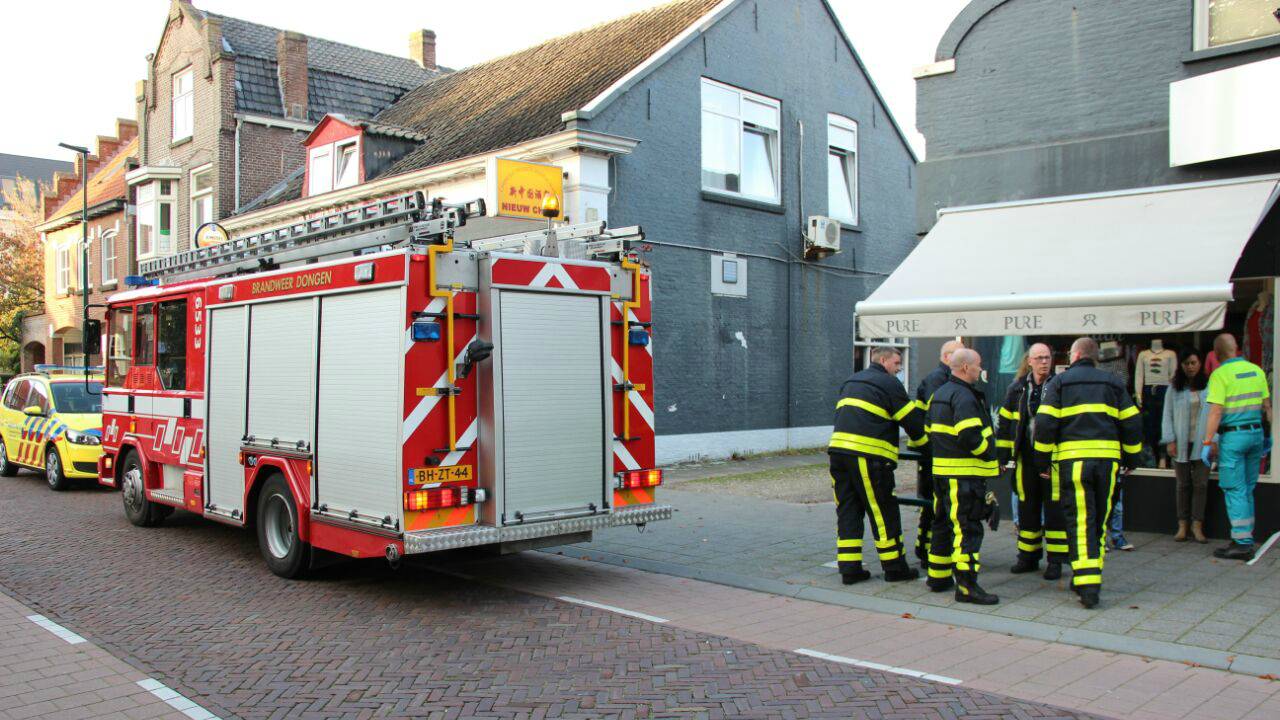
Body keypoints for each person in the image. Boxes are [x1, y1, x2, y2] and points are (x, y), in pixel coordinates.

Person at [1033, 337, 1142, 609]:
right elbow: (1132, 421)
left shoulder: (1060, 383)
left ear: (1076, 355)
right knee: (1099, 521)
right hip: (1107, 462)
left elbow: (1044, 423)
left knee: (1081, 521)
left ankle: (1088, 585)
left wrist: (1042, 461)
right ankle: (1088, 574)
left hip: (1074, 462)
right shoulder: (1113, 382)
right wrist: (1132, 457)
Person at [828, 346, 930, 584]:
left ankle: (849, 569)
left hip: (838, 454)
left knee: (848, 509)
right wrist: (929, 449)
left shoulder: (852, 381)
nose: (899, 369)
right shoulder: (889, 383)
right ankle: (895, 568)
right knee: (883, 511)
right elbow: (912, 422)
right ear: (883, 360)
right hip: (868, 456)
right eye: (897, 363)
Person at [927, 348, 999, 604]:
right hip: (964, 475)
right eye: (979, 365)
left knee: (942, 524)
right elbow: (969, 435)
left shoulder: (939, 393)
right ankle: (967, 587)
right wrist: (988, 452)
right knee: (967, 530)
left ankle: (938, 576)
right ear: (966, 367)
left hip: (942, 472)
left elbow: (928, 430)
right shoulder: (964, 396)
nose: (981, 369)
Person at [996, 343, 1069, 579]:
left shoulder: (1060, 386)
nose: (1044, 362)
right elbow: (1005, 424)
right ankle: (1028, 556)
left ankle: (1056, 561)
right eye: (1039, 358)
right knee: (1027, 507)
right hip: (1026, 457)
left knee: (1054, 509)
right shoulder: (1017, 388)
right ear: (1029, 361)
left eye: (1047, 357)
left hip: (1052, 458)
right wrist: (1003, 456)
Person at [1201, 333, 1273, 561]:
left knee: (1234, 489)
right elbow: (1267, 407)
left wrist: (1207, 442)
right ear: (1237, 349)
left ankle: (1242, 543)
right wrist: (1269, 435)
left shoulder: (1220, 374)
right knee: (1248, 488)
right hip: (1256, 435)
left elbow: (1215, 411)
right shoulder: (1256, 370)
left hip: (1233, 437)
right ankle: (1245, 537)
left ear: (1216, 354)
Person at [914, 340, 966, 572]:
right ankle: (927, 550)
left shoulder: (942, 378)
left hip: (936, 453)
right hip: (935, 454)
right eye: (960, 356)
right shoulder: (938, 379)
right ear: (947, 357)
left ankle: (927, 549)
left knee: (934, 505)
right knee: (934, 506)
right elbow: (939, 416)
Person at [1161, 348, 1209, 543]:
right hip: (1180, 442)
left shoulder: (1209, 386)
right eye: (1186, 363)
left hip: (1202, 443)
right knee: (1182, 485)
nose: (1190, 367)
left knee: (1201, 484)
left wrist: (1213, 440)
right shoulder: (1174, 388)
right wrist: (1169, 440)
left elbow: (1216, 414)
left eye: (1193, 363)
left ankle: (1197, 525)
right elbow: (1167, 415)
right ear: (1181, 365)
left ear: (1200, 364)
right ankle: (1182, 525)